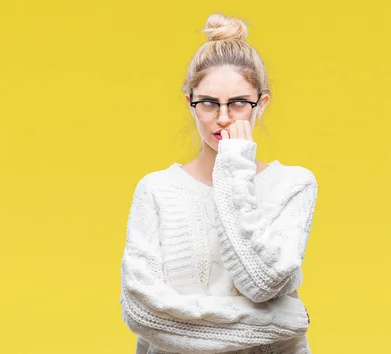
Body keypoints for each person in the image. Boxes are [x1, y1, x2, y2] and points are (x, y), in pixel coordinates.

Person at [119, 13, 317, 354]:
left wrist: (232, 171)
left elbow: (261, 282)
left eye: (239, 103)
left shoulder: (293, 185)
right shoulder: (156, 190)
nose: (223, 117)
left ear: (261, 104)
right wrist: (283, 322)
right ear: (191, 104)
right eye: (209, 103)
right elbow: (143, 312)